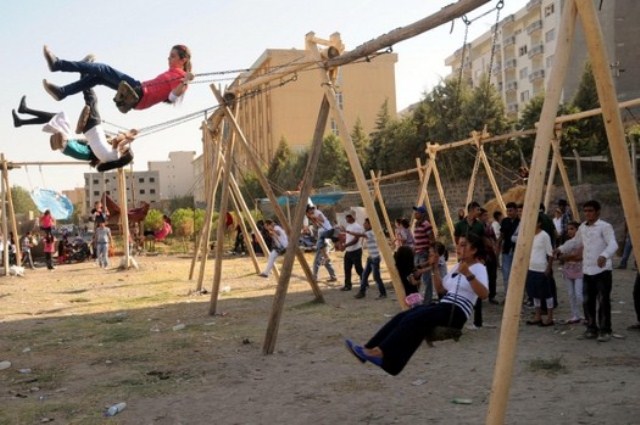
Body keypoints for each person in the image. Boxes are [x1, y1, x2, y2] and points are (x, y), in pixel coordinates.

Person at [344, 234, 488, 376]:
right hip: (444, 305)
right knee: (405, 316)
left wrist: (468, 274)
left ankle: (379, 352)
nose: (458, 247)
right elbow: (441, 290)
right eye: (458, 244)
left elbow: (483, 294)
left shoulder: (478, 268)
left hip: (457, 312)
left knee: (415, 318)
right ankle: (373, 352)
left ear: (474, 250)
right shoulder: (458, 266)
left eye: (464, 245)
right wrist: (435, 268)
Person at [42, 45, 193, 113]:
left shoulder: (181, 77)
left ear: (184, 59)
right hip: (138, 95)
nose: (169, 58)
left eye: (172, 56)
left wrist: (186, 80)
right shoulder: (173, 72)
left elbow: (173, 97)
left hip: (139, 92)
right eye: (169, 56)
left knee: (103, 69)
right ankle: (62, 92)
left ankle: (57, 64)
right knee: (98, 78)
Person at [12, 92, 135, 170]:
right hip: (68, 146)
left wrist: (126, 135)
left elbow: (116, 143)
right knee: (56, 117)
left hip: (69, 144)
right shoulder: (105, 157)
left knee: (60, 116)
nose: (123, 149)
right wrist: (130, 137)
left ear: (123, 155)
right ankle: (22, 118)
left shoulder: (110, 155)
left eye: (125, 150)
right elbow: (119, 145)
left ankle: (24, 113)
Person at [556, 200, 618, 342]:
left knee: (603, 301)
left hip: (602, 270)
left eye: (591, 211)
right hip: (588, 270)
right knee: (587, 301)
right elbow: (575, 242)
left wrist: (604, 255)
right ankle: (591, 328)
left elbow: (613, 244)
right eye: (586, 211)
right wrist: (560, 249)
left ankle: (605, 330)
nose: (588, 214)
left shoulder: (605, 227)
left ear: (597, 211)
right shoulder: (583, 227)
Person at [524, 215, 555, 327]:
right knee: (534, 294)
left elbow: (550, 253)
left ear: (539, 223)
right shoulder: (529, 236)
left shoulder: (544, 236)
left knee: (546, 293)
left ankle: (550, 317)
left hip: (541, 268)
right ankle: (538, 316)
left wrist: (548, 268)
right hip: (531, 267)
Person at [350, 218, 386, 299]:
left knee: (376, 277)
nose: (364, 224)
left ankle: (383, 293)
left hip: (375, 258)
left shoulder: (371, 233)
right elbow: (360, 234)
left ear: (370, 224)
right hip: (371, 258)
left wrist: (348, 232)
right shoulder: (367, 232)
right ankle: (362, 292)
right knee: (364, 275)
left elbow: (360, 235)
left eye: (366, 223)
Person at [558, 221, 584, 324]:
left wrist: (566, 257)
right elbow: (560, 255)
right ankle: (575, 315)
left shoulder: (581, 242)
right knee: (570, 294)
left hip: (579, 269)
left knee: (578, 294)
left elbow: (579, 257)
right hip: (568, 269)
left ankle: (584, 314)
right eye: (568, 229)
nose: (569, 231)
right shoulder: (567, 242)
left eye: (572, 229)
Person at [306, 205, 337, 283]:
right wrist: (311, 218)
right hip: (324, 233)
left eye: (310, 210)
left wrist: (312, 216)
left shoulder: (317, 212)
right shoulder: (314, 214)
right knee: (323, 258)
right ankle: (333, 275)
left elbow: (322, 220)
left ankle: (314, 277)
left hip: (326, 232)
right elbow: (316, 225)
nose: (310, 212)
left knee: (317, 259)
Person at [412, 206, 435, 304]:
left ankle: (427, 301)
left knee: (426, 278)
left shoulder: (426, 224)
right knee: (416, 276)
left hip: (424, 253)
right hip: (417, 253)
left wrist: (430, 251)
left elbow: (432, 238)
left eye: (417, 212)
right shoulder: (417, 225)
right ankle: (418, 298)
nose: (415, 214)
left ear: (422, 214)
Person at [498, 202, 519, 297]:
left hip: (517, 251)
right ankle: (508, 296)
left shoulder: (520, 221)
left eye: (511, 210)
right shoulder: (505, 221)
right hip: (506, 250)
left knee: (517, 275)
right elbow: (501, 235)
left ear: (516, 211)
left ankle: (517, 296)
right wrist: (497, 247)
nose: (509, 213)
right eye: (508, 211)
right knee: (506, 274)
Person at [340, 213, 364, 291]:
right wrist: (343, 243)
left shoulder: (357, 227)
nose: (346, 219)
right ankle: (347, 285)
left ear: (352, 218)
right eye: (346, 217)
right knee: (347, 268)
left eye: (348, 217)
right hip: (348, 251)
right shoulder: (348, 226)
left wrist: (346, 245)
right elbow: (348, 237)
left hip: (356, 250)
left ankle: (364, 282)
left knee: (358, 268)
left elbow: (356, 240)